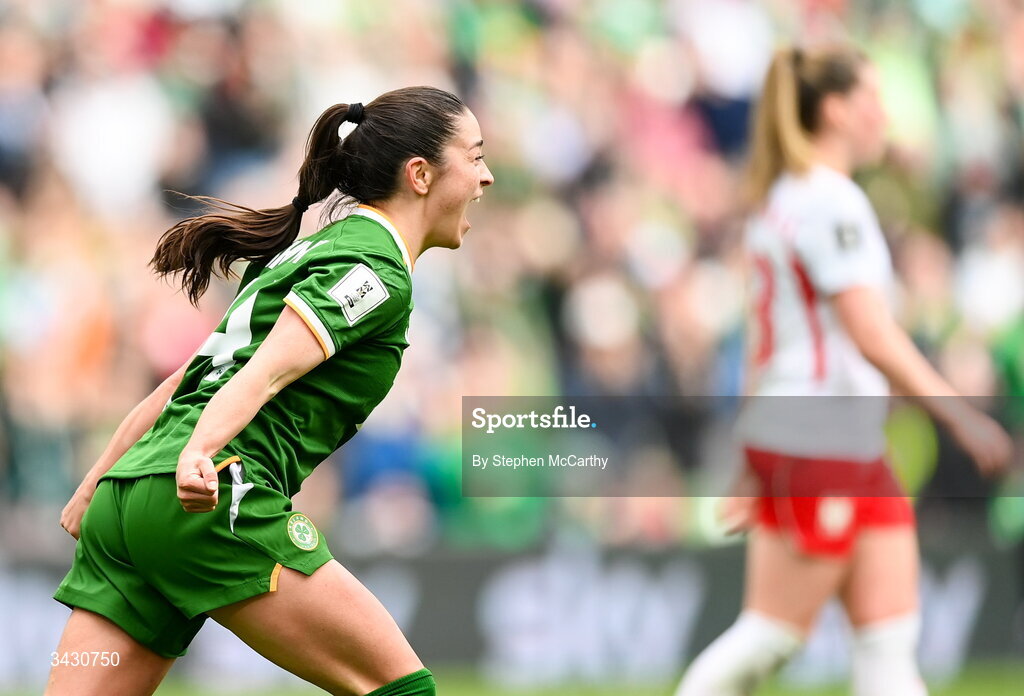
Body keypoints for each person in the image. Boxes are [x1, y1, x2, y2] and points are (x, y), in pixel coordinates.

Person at [48, 85, 493, 696]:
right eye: (474, 156)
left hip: (131, 500)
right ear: (419, 174)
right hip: (211, 495)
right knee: (402, 690)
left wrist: (97, 482)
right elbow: (266, 373)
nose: (486, 176)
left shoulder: (306, 250)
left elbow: (189, 379)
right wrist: (201, 452)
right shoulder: (373, 270)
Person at [674, 46, 1012, 696]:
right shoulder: (831, 201)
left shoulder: (786, 198)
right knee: (772, 636)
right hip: (821, 435)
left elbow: (762, 339)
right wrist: (960, 412)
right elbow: (872, 333)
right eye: (871, 98)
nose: (884, 112)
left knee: (888, 645)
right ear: (833, 109)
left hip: (829, 434)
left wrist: (751, 446)